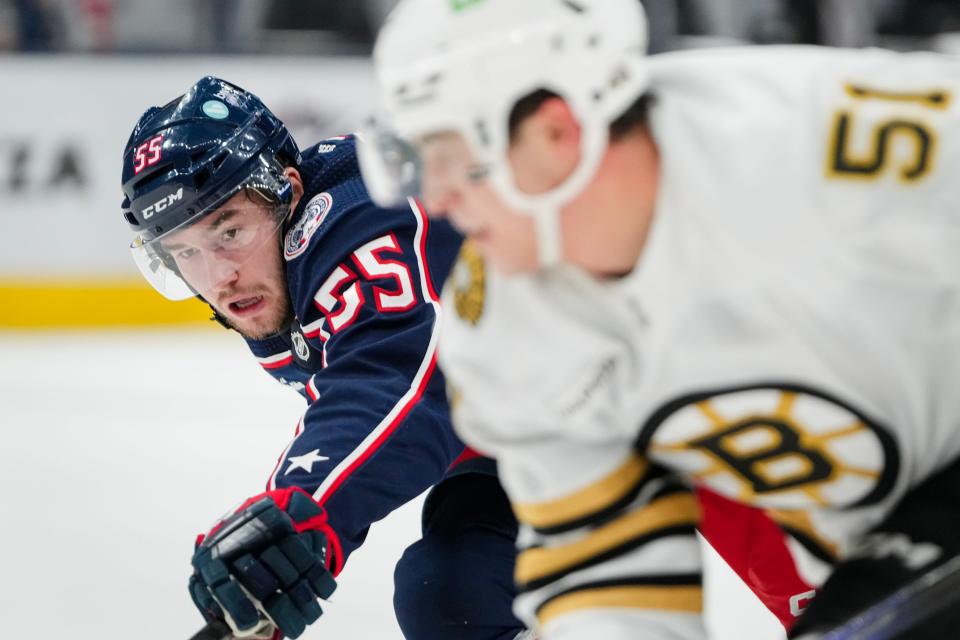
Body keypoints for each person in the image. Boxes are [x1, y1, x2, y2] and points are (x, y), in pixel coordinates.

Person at [360, 0, 960, 638]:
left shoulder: (836, 140)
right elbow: (611, 583)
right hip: (872, 534)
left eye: (447, 154)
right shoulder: (502, 329)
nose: (435, 197)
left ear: (556, 131)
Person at [120, 76, 526, 640]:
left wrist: (295, 515)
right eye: (185, 252)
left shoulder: (353, 217)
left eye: (229, 230)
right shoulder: (279, 274)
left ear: (286, 189)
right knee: (454, 594)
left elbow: (398, 384)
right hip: (548, 425)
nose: (219, 276)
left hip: (661, 370)